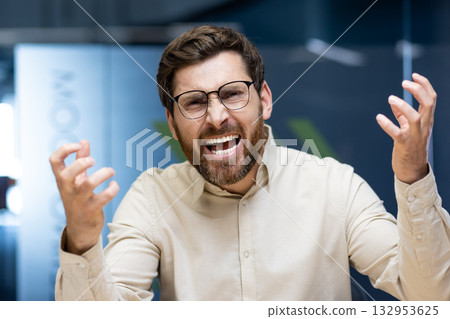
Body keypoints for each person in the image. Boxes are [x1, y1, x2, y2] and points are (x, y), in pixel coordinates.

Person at [51, 25, 449, 301]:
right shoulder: (153, 199)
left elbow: (429, 296)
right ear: (172, 124)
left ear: (266, 100)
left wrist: (413, 177)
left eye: (232, 94)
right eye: (193, 102)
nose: (216, 116)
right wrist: (83, 241)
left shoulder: (335, 187)